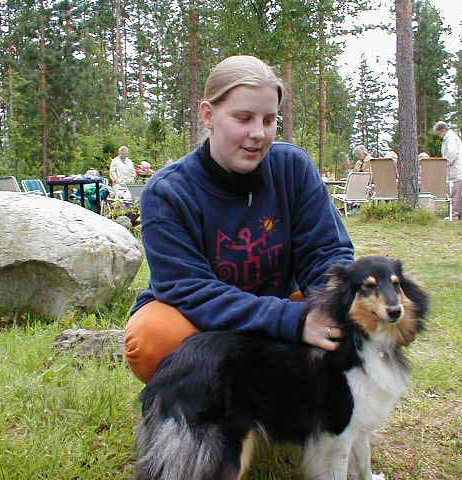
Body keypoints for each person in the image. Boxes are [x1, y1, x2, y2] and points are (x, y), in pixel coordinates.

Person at [124, 55, 355, 383]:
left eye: (269, 120)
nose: (258, 133)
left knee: (348, 310)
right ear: (208, 115)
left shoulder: (293, 168)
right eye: (243, 118)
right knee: (153, 338)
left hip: (283, 302)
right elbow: (189, 289)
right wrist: (293, 320)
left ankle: (290, 397)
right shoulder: (167, 193)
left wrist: (335, 307)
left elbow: (326, 254)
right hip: (201, 317)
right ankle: (198, 402)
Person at [434, 121, 462, 220]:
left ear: (442, 130)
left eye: (438, 133)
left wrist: (446, 163)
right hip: (457, 170)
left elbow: (452, 153)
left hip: (458, 169)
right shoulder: (450, 137)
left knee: (455, 192)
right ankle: (458, 213)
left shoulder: (450, 138)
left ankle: (455, 215)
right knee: (457, 192)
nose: (439, 136)